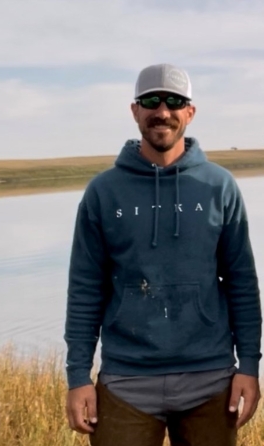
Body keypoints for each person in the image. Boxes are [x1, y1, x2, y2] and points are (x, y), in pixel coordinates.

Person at [64, 64, 262, 446]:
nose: (163, 111)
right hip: (125, 382)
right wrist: (77, 376)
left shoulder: (219, 186)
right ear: (135, 110)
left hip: (211, 379)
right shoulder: (103, 192)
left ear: (190, 111)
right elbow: (85, 289)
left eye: (174, 101)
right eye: (151, 100)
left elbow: (241, 283)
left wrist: (249, 365)